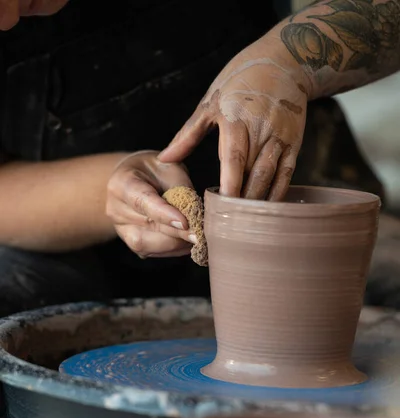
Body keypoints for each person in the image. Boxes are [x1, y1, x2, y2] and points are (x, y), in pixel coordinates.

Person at [0, 0, 395, 317]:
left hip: (298, 208)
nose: (4, 20)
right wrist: (116, 188)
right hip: (66, 240)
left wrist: (287, 62)